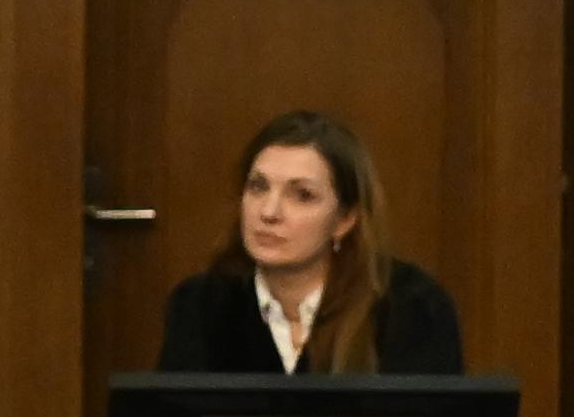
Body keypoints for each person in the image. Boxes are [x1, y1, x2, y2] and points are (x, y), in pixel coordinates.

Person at [149, 110, 462, 378]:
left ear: (345, 219)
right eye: (258, 187)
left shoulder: (410, 306)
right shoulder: (202, 305)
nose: (269, 212)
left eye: (302, 195)